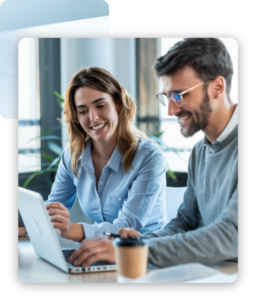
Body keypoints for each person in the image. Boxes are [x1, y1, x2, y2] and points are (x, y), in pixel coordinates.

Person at [67, 37, 238, 269]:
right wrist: (138, 242)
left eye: (180, 94)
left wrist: (140, 251)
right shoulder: (200, 151)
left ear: (217, 87)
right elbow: (186, 221)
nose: (170, 110)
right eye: (167, 97)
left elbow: (231, 235)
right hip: (211, 271)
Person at [18, 67, 167, 241]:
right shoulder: (73, 156)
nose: (93, 117)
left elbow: (126, 228)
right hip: (98, 248)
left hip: (144, 252)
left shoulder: (148, 156)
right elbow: (53, 209)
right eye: (83, 111)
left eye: (100, 106)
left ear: (118, 105)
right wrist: (26, 224)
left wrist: (69, 230)